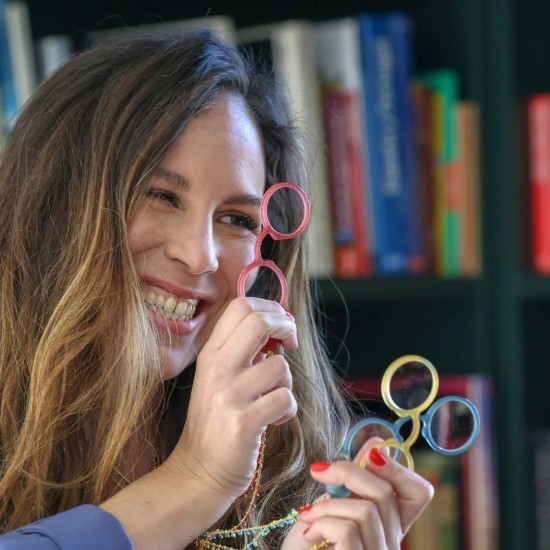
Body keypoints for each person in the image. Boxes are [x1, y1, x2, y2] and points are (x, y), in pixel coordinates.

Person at [0, 29, 433, 549]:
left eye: (236, 218)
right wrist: (196, 479)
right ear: (54, 208)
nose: (201, 254)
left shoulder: (276, 481)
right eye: (161, 195)